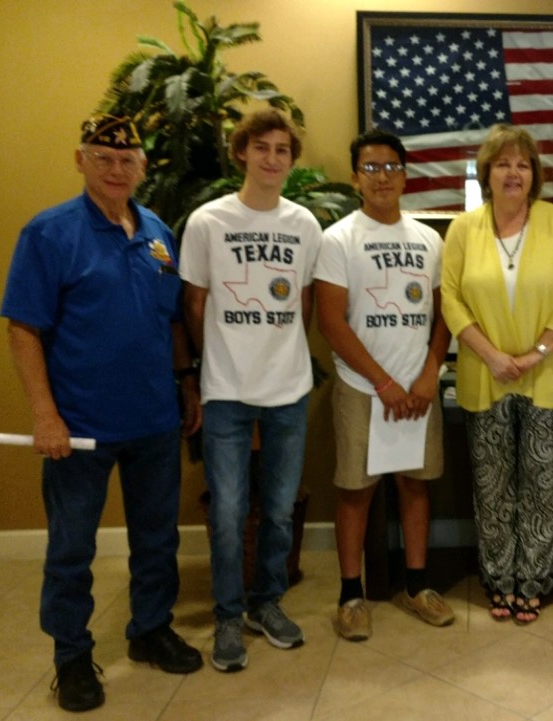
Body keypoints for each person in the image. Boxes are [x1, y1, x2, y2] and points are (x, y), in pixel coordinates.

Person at [0, 114, 203, 712]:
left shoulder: (159, 233)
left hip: (154, 421)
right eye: (103, 158)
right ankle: (71, 656)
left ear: (142, 167)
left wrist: (186, 384)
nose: (117, 170)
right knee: (72, 548)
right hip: (80, 429)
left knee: (157, 538)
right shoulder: (50, 233)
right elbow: (23, 329)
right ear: (80, 160)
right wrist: (45, 415)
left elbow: (171, 320)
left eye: (128, 161)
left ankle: (149, 630)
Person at [181, 109, 322, 671]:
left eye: (282, 149)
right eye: (260, 147)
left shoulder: (305, 226)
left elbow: (304, 304)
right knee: (230, 510)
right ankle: (226, 617)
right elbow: (194, 305)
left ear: (291, 158)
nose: (271, 158)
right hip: (226, 390)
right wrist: (214, 359)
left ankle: (267, 604)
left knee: (281, 511)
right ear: (242, 152)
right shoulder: (207, 222)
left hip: (288, 388)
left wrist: (280, 351)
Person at [440, 124, 553, 625]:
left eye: (522, 164)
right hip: (486, 376)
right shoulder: (464, 229)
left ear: (534, 175)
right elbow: (451, 299)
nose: (513, 172)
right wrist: (494, 356)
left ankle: (537, 580)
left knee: (543, 486)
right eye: (503, 163)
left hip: (549, 377)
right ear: (486, 172)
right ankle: (500, 580)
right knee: (493, 485)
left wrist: (534, 354)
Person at [315, 129, 454, 641]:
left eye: (391, 166)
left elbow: (444, 316)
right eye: (370, 168)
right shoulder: (338, 239)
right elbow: (331, 321)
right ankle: (351, 595)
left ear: (405, 174)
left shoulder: (427, 239)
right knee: (355, 491)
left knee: (415, 485)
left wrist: (427, 373)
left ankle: (417, 586)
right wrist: (383, 382)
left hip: (418, 387)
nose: (382, 177)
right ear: (355, 178)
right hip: (361, 386)